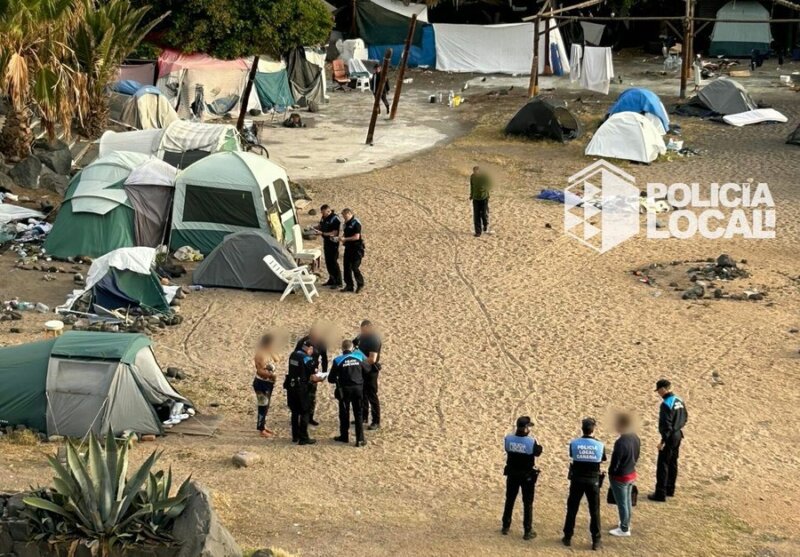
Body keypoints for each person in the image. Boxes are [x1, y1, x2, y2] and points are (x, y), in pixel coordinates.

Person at [562, 417, 606, 551]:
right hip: (593, 480)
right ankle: (596, 540)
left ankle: (568, 536)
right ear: (593, 429)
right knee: (594, 511)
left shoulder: (574, 443)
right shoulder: (599, 445)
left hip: (577, 480)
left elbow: (572, 455)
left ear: (582, 429)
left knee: (572, 509)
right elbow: (602, 458)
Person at [501, 416, 543, 540]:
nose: (529, 429)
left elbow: (508, 449)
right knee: (527, 503)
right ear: (525, 428)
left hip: (512, 474)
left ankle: (505, 526)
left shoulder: (508, 439)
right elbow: (538, 452)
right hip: (526, 476)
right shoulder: (531, 442)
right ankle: (527, 530)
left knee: (510, 500)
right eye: (528, 427)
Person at [648, 378, 688, 502]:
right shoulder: (679, 400)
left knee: (663, 464)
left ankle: (660, 493)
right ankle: (670, 489)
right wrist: (677, 428)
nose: (659, 393)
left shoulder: (666, 404)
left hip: (670, 436)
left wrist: (663, 441)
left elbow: (666, 424)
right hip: (678, 435)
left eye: (659, 391)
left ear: (663, 389)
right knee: (673, 463)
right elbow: (685, 417)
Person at [329, 340, 370, 447]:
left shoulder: (337, 360)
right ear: (352, 348)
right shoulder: (359, 358)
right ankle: (360, 439)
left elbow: (331, 378)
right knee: (358, 414)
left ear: (342, 349)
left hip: (344, 390)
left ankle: (344, 436)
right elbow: (367, 370)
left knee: (344, 413)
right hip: (358, 389)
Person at [608, 413, 640, 537]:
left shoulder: (621, 442)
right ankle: (625, 523)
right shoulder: (635, 437)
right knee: (627, 501)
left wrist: (612, 473)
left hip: (621, 476)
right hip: (631, 472)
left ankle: (624, 528)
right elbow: (637, 454)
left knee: (622, 503)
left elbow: (615, 462)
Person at [284, 342, 322, 445]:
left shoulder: (293, 354)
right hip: (302, 388)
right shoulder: (307, 359)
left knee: (295, 412)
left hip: (291, 386)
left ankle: (295, 436)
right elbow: (314, 375)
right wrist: (321, 378)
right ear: (309, 348)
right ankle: (304, 437)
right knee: (305, 411)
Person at [293, 328, 329, 427]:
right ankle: (301, 416)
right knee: (301, 395)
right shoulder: (303, 342)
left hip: (314, 370)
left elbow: (324, 358)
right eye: (313, 337)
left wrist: (324, 372)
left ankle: (310, 417)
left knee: (312, 395)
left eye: (316, 337)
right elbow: (295, 355)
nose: (315, 339)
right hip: (303, 371)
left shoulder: (321, 343)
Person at [353, 320, 382, 429]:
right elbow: (353, 343)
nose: (363, 332)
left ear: (370, 327)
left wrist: (358, 361)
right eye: (362, 330)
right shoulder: (361, 336)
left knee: (371, 395)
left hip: (370, 371)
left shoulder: (374, 340)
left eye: (364, 330)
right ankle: (363, 416)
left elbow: (372, 359)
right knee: (362, 393)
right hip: (362, 370)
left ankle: (376, 421)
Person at [253, 334, 279, 438]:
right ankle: (261, 429)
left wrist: (271, 350)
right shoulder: (260, 354)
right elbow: (259, 371)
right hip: (261, 383)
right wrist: (271, 376)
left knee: (266, 406)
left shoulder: (267, 352)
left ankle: (263, 426)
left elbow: (277, 359)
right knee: (262, 406)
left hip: (268, 383)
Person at [314, 205, 342, 288]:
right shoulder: (324, 217)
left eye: (323, 212)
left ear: (328, 211)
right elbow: (321, 225)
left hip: (333, 243)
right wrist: (314, 228)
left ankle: (338, 282)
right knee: (328, 261)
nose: (322, 214)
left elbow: (335, 232)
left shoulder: (335, 219)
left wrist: (322, 233)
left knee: (333, 262)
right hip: (326, 242)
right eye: (322, 212)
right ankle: (331, 279)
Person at [340, 208, 365, 293]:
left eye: (345, 215)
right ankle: (349, 285)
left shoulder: (356, 223)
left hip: (356, 249)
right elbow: (345, 232)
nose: (344, 217)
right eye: (343, 216)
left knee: (355, 267)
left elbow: (356, 237)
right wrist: (342, 238)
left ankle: (360, 284)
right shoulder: (346, 224)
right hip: (348, 248)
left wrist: (345, 239)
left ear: (349, 213)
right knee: (346, 267)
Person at [469, 166, 492, 237]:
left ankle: (485, 225)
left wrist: (484, 188)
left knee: (484, 214)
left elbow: (490, 185)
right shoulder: (472, 177)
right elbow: (472, 186)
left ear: (479, 171)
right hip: (475, 198)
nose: (475, 173)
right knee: (476, 215)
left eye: (476, 172)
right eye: (474, 172)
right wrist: (471, 195)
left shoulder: (484, 177)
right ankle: (478, 232)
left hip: (484, 198)